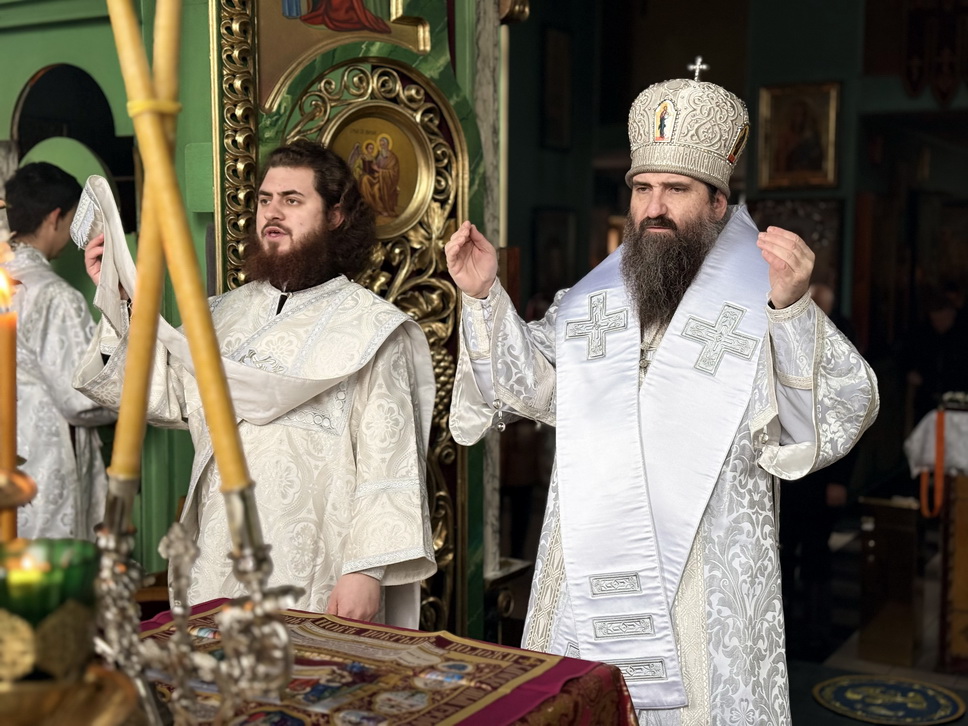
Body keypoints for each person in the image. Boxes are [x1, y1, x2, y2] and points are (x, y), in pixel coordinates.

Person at [446, 77, 879, 722]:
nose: (653, 207)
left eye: (675, 189)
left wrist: (792, 312)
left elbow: (836, 413)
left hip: (705, 577)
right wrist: (484, 297)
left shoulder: (762, 297)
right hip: (592, 561)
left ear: (717, 202)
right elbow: (526, 386)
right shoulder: (595, 299)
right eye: (642, 187)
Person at [73, 140, 436, 626]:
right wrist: (119, 300)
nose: (273, 213)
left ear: (335, 216)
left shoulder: (372, 328)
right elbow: (160, 397)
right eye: (265, 199)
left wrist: (365, 571)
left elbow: (389, 458)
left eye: (292, 200)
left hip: (318, 564)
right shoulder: (219, 315)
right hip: (219, 551)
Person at [0, 162, 116, 540]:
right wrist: (130, 398)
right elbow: (80, 400)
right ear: (55, 217)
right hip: (42, 463)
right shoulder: (53, 296)